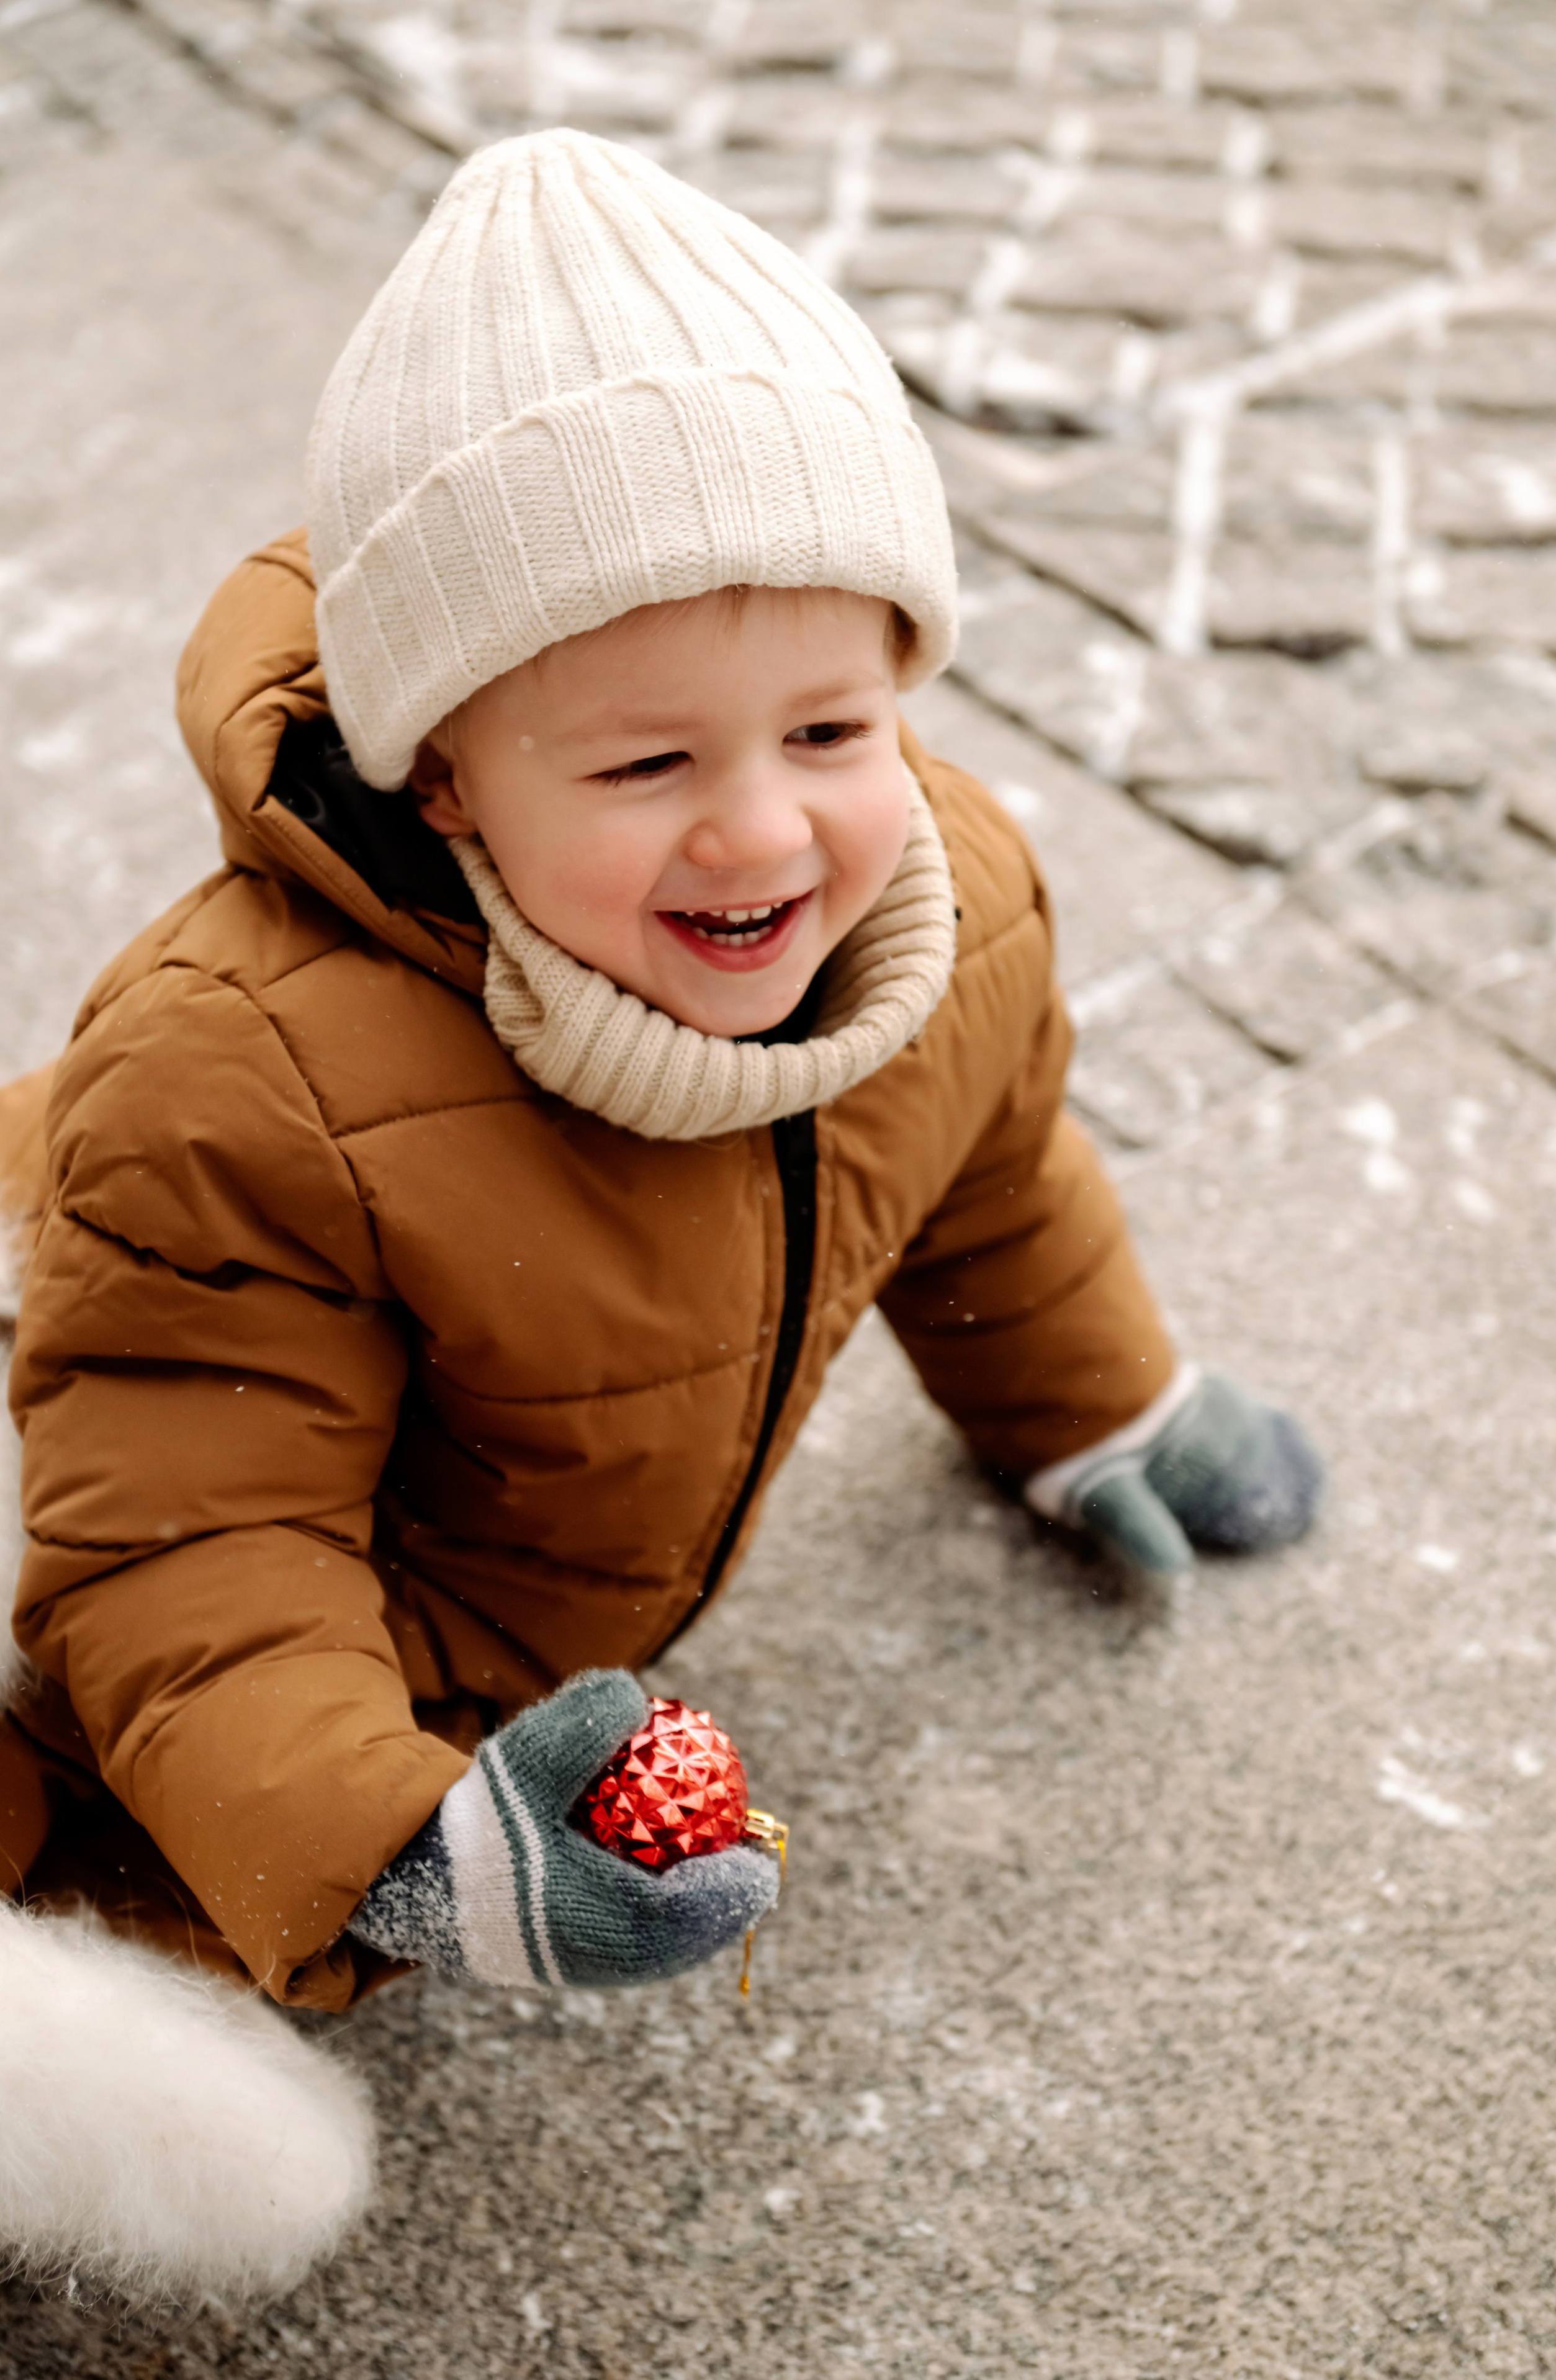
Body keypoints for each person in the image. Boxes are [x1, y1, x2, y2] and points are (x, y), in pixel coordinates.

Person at [0, 128, 1320, 2299]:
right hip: (163, 1652)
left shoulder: (944, 905)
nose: (766, 829)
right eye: (642, 768)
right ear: (446, 779)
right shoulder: (251, 1091)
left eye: (833, 720)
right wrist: (417, 1850)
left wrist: (1101, 1403)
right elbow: (188, 1546)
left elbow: (988, 1173)